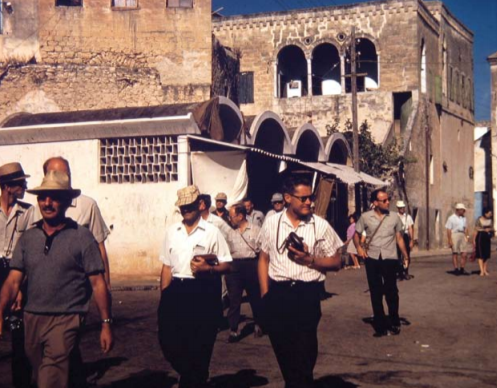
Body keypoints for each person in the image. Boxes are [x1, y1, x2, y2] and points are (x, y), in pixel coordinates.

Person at [0, 170, 113, 388]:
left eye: (54, 197)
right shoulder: (29, 238)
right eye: (43, 197)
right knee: (43, 374)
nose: (47, 203)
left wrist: (106, 324)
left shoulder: (82, 237)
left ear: (67, 201)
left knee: (49, 379)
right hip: (32, 319)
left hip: (66, 318)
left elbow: (98, 283)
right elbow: (13, 280)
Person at [258, 175, 342, 388]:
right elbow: (263, 258)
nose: (308, 202)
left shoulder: (319, 225)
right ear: (287, 198)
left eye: (310, 198)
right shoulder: (271, 223)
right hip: (278, 293)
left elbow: (336, 262)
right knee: (283, 350)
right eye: (303, 198)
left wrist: (310, 260)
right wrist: (265, 294)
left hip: (307, 294)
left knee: (305, 354)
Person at [158, 185, 232, 388]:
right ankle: (191, 373)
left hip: (203, 291)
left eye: (189, 206)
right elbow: (166, 266)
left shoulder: (212, 232)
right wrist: (164, 295)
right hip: (176, 290)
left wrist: (209, 268)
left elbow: (227, 264)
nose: (185, 210)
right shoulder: (172, 232)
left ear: (199, 204)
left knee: (200, 343)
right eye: (182, 207)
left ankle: (194, 378)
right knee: (168, 340)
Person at [42, 157, 111, 288]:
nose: (64, 178)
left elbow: (100, 246)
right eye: (56, 174)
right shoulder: (39, 209)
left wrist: (106, 284)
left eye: (66, 174)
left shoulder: (87, 205)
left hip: (78, 288)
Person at [354, 189, 409, 337]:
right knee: (376, 292)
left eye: (388, 199)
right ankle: (380, 325)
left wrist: (405, 255)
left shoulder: (394, 218)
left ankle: (394, 321)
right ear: (375, 203)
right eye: (384, 200)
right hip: (372, 258)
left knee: (391, 291)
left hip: (390, 258)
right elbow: (356, 234)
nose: (387, 202)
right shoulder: (365, 217)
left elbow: (399, 238)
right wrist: (359, 248)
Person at [0, 162, 35, 388]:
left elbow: (30, 252)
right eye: (20, 183)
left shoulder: (28, 211)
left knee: (19, 337)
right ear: (6, 186)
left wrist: (21, 288)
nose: (24, 186)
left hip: (16, 272)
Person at [225, 202, 262, 343]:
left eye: (231, 216)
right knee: (234, 299)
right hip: (234, 268)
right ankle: (233, 329)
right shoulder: (230, 232)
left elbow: (263, 251)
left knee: (255, 297)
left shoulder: (256, 230)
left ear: (240, 216)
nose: (230, 219)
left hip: (251, 266)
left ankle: (259, 323)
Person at [445, 203, 469, 275]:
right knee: (455, 252)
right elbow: (448, 229)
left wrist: (467, 236)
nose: (463, 212)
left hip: (462, 234)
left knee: (464, 253)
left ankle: (462, 268)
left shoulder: (464, 218)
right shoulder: (451, 218)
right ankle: (456, 268)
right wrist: (449, 240)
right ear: (458, 210)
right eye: (462, 210)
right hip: (454, 234)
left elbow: (466, 227)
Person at [473, 207, 494, 277]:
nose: (490, 214)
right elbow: (475, 230)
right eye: (489, 213)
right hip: (480, 237)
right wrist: (473, 240)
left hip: (487, 238)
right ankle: (481, 270)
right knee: (480, 254)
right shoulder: (479, 220)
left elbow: (492, 228)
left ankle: (485, 269)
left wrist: (490, 230)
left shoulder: (490, 220)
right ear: (485, 213)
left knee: (486, 254)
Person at [396, 200, 414, 280]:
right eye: (401, 208)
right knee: (398, 255)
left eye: (403, 207)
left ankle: (406, 272)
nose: (402, 209)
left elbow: (410, 228)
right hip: (397, 235)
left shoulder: (408, 217)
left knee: (406, 255)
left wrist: (411, 240)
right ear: (398, 208)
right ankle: (399, 272)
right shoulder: (395, 217)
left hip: (405, 236)